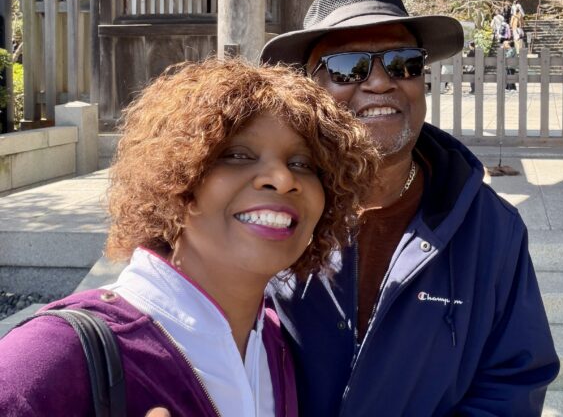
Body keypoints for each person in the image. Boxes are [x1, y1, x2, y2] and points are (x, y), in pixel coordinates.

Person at [0, 59, 377, 416]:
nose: (282, 179)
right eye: (237, 155)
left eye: (302, 164)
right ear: (176, 182)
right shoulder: (53, 353)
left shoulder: (278, 346)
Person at [261, 0, 558, 417]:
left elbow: (512, 383)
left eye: (403, 63)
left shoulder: (491, 230)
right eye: (348, 67)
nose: (380, 82)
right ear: (311, 89)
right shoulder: (271, 207)